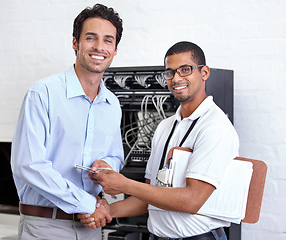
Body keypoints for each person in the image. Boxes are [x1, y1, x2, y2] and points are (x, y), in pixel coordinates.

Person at [80, 41, 239, 240]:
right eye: (170, 72)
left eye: (185, 70)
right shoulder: (165, 127)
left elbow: (192, 200)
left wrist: (124, 184)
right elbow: (148, 198)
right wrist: (107, 211)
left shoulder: (215, 127)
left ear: (204, 72)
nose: (176, 78)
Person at [10, 4, 124, 240]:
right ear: (76, 43)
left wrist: (107, 164)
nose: (99, 47)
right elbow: (28, 165)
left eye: (108, 41)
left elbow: (117, 157)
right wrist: (87, 203)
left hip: (91, 227)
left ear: (114, 50)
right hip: (44, 227)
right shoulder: (42, 94)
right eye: (91, 38)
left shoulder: (112, 104)